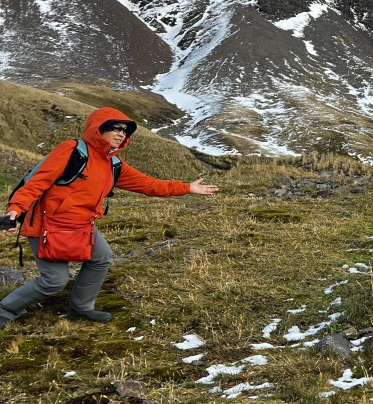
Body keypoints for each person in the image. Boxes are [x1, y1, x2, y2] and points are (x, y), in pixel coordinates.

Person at [0, 107, 219, 330]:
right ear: (98, 128)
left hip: (83, 226)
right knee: (54, 281)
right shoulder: (72, 151)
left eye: (125, 130)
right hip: (47, 226)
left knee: (101, 258)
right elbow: (38, 182)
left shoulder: (114, 163)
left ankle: (81, 309)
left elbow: (148, 184)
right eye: (116, 127)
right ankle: (4, 311)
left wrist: (187, 188)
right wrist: (15, 209)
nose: (121, 133)